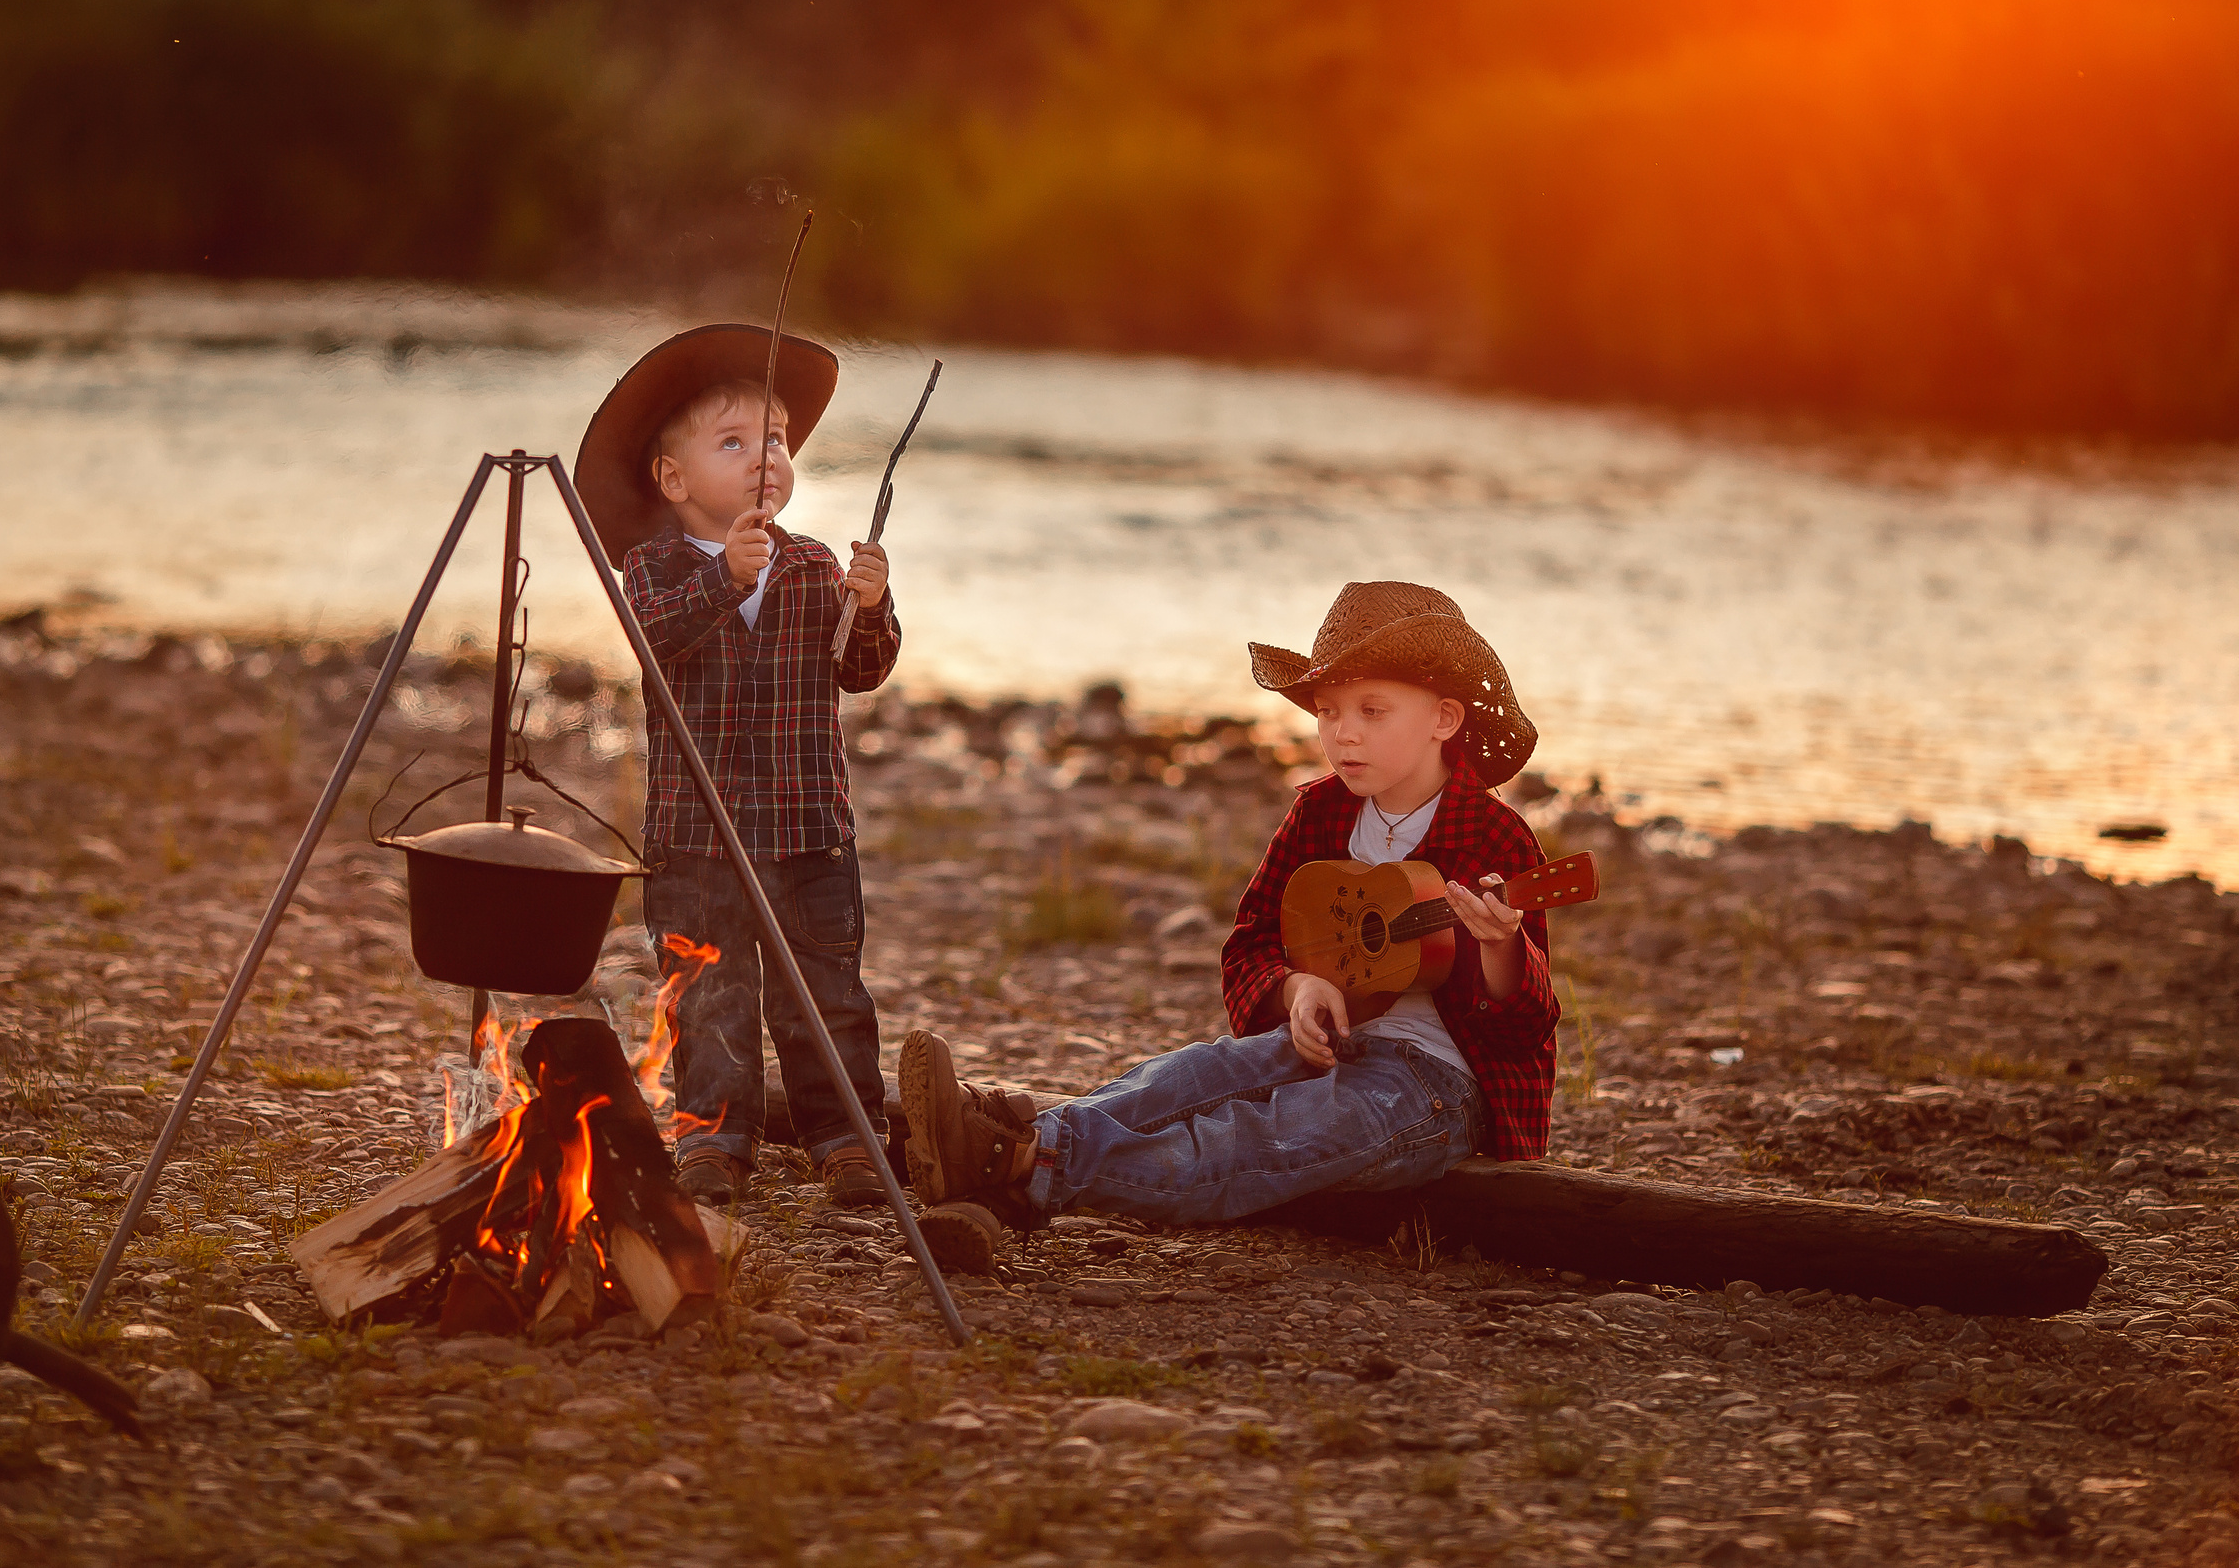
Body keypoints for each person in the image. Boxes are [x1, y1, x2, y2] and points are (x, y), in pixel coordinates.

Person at [899, 582, 1555, 1251]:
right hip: (1329, 1041)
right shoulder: (1322, 813)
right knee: (1187, 1076)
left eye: (1372, 710)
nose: (1343, 733)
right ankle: (1005, 1161)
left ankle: (1012, 1152)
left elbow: (1525, 1023)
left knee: (1257, 1136)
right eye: (1327, 712)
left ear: (1445, 718)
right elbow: (1253, 942)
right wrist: (1297, 989)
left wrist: (1502, 945)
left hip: (1432, 1090)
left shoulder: (1493, 837)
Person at [572, 324, 900, 1208]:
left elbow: (859, 668)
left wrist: (870, 605)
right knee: (708, 991)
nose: (766, 459)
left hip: (807, 830)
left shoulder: (813, 564)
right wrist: (727, 580)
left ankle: (847, 1134)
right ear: (673, 481)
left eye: (778, 441)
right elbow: (657, 640)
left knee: (824, 991)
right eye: (734, 443)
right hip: (697, 837)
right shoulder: (653, 568)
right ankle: (716, 1136)